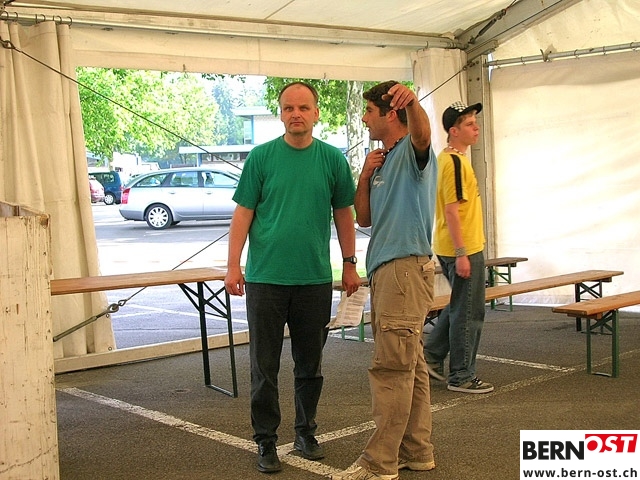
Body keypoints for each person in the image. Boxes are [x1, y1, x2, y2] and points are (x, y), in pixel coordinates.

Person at [224, 81, 361, 474]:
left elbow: (344, 214)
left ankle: (305, 432)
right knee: (264, 366)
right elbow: (243, 214)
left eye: (303, 107)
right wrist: (233, 265)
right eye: (288, 108)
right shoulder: (261, 158)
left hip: (313, 280)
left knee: (310, 365)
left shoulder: (332, 160)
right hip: (266, 280)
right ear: (280, 113)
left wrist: (349, 263)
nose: (296, 114)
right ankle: (266, 441)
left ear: (316, 113)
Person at [332, 81, 438, 480]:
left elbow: (423, 134)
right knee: (412, 365)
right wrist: (364, 176)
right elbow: (364, 218)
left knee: (391, 368)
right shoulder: (384, 159)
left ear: (390, 114)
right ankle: (417, 452)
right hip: (389, 271)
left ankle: (379, 464)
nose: (364, 119)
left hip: (404, 270)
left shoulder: (412, 149)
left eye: (369, 112)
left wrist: (414, 104)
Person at [423, 101, 494, 394]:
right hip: (461, 248)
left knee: (460, 306)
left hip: (457, 245)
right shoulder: (452, 163)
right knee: (469, 313)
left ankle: (431, 356)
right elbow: (451, 211)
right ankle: (461, 375)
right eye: (469, 124)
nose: (476, 128)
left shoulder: (452, 158)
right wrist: (462, 253)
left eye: (475, 122)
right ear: (454, 131)